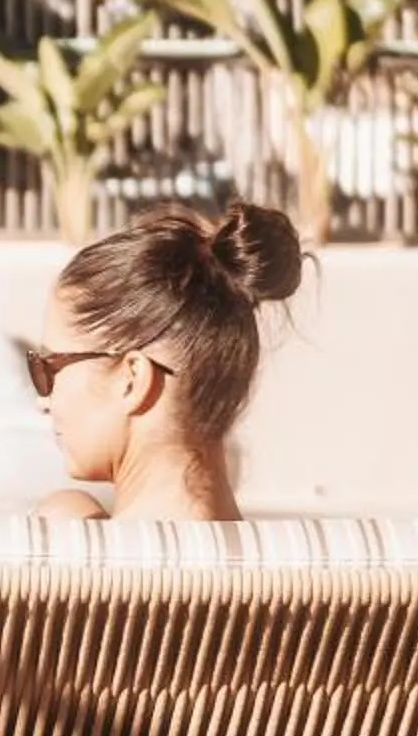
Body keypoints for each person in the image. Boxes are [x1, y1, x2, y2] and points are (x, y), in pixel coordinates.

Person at [23, 202, 303, 524]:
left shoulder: (61, 535)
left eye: (49, 369)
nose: (43, 401)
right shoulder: (288, 556)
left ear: (132, 380)